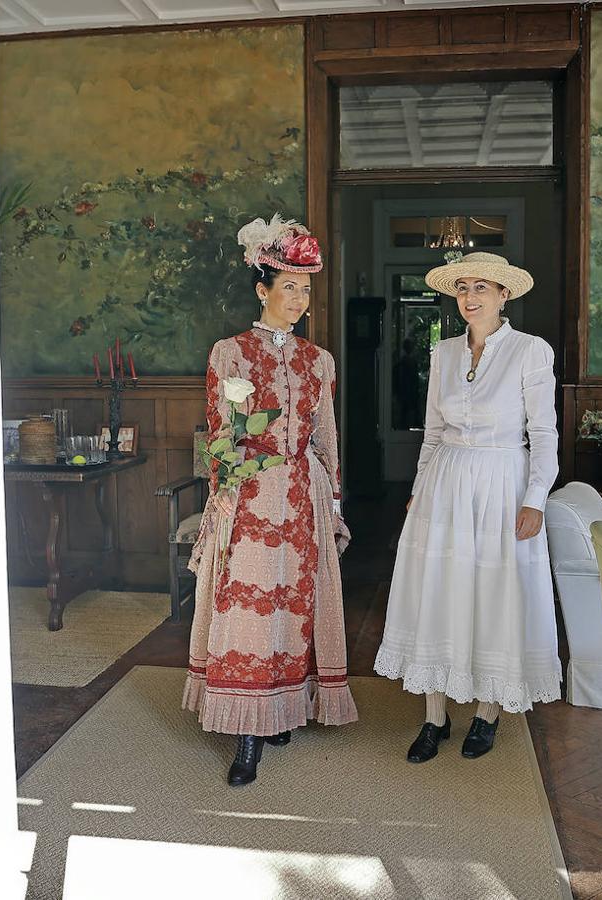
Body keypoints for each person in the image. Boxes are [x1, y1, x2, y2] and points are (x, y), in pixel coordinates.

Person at [183, 215, 357, 786]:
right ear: (263, 289)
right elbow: (223, 432)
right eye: (289, 287)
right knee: (250, 610)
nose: (300, 299)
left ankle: (282, 711)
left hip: (303, 496)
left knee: (295, 606)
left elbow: (326, 437)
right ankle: (247, 734)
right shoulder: (230, 353)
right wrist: (228, 491)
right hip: (252, 497)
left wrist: (330, 498)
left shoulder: (319, 361)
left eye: (306, 289)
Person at [374, 251, 560, 762]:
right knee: (437, 587)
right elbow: (434, 431)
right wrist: (419, 486)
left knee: (496, 590)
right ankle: (434, 715)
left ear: (504, 296)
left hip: (504, 481)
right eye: (463, 287)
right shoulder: (444, 352)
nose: (471, 296)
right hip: (446, 482)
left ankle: (487, 711)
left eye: (482, 287)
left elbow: (543, 432)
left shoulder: (529, 351)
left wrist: (535, 498)